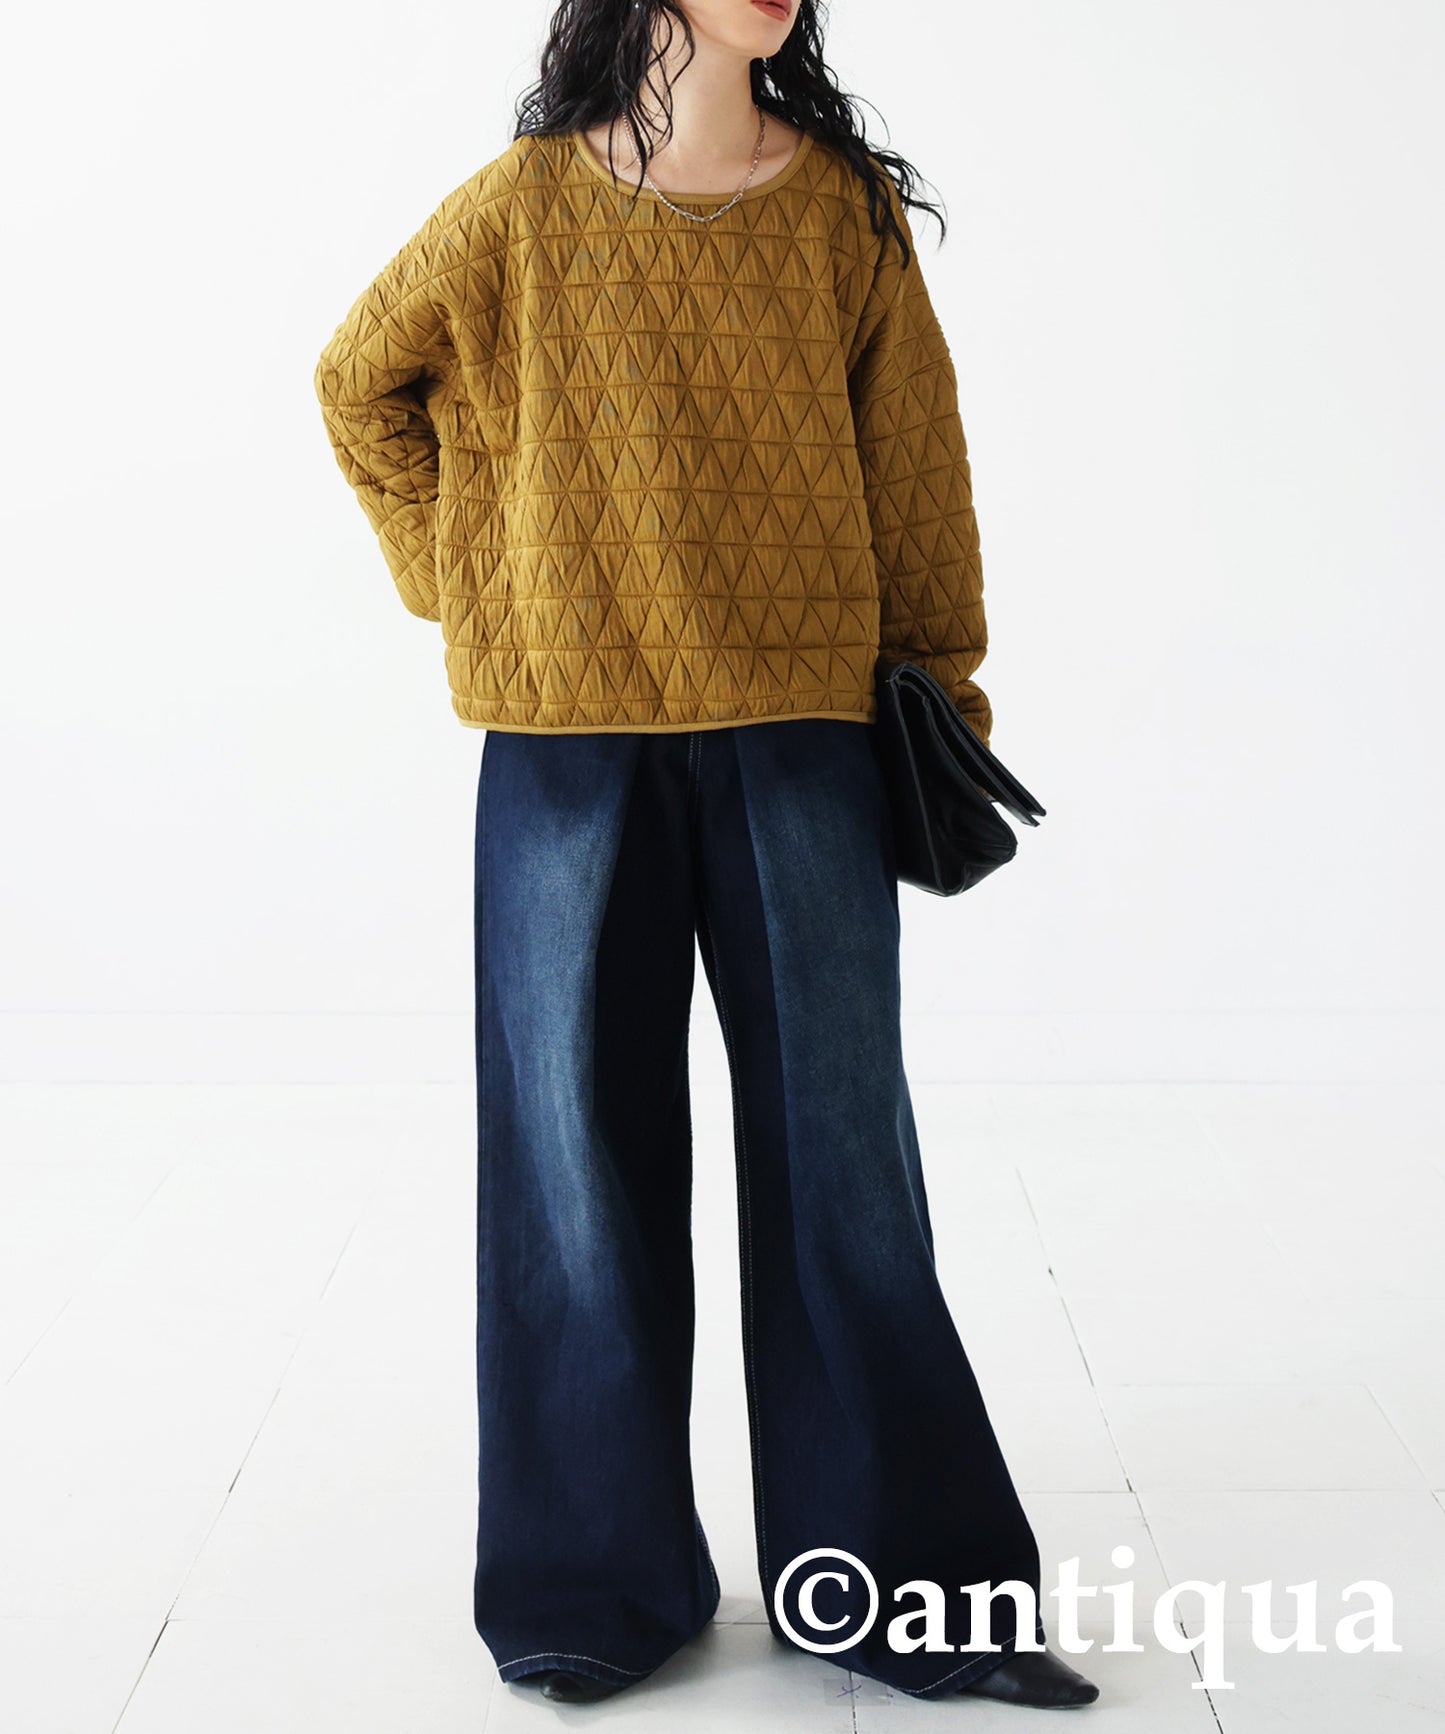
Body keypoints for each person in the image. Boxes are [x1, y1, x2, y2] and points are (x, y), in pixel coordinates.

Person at [313, 0, 1098, 1712]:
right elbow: (357, 382)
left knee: (845, 1170)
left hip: (802, 737)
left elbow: (917, 475)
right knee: (571, 1179)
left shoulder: (841, 214)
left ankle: (904, 1592)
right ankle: (589, 1587)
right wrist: (476, 581)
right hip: (565, 749)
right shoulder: (517, 207)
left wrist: (943, 693)